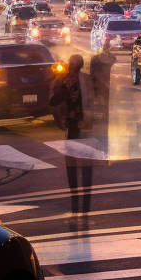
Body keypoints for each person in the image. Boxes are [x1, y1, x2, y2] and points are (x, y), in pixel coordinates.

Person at [49, 53, 94, 228]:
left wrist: (59, 80)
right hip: (81, 128)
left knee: (77, 167)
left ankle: (78, 204)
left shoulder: (71, 81)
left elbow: (53, 100)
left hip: (79, 129)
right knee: (81, 168)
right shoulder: (84, 81)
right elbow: (54, 100)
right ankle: (81, 206)